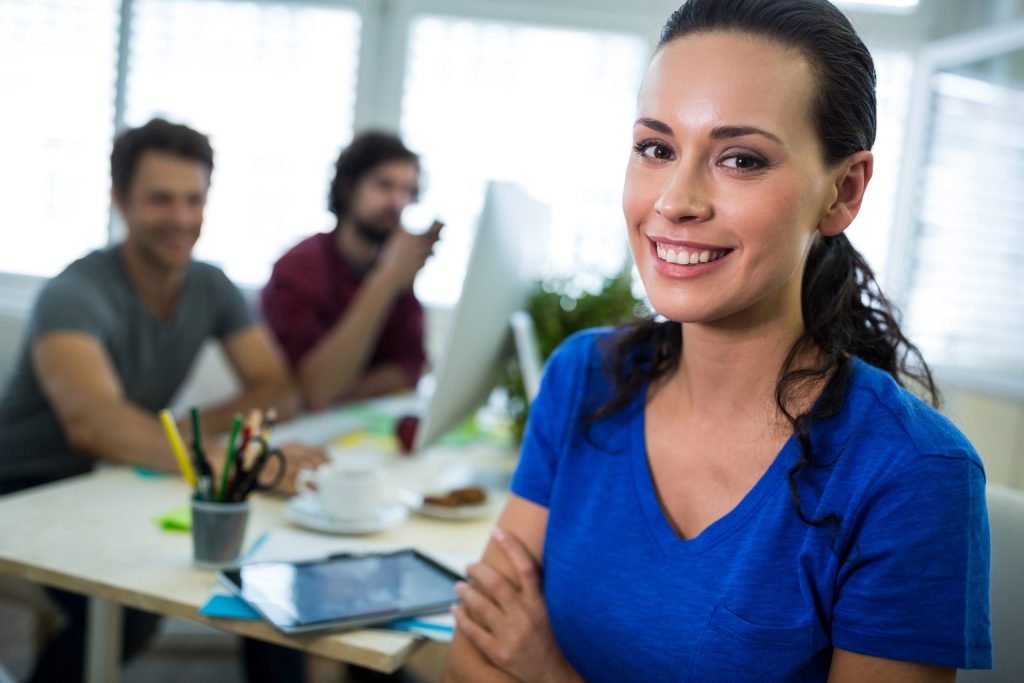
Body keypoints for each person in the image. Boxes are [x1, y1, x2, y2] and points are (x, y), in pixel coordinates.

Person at [444, 1, 992, 681]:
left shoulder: (911, 474)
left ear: (843, 191)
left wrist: (550, 672)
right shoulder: (583, 376)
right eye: (656, 148)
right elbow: (472, 652)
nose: (675, 199)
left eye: (740, 158)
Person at [0, 118, 327, 683]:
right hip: (28, 488)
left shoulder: (211, 285)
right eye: (160, 200)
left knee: (267, 576)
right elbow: (94, 424)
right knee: (127, 612)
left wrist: (180, 432)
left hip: (117, 479)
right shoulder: (74, 292)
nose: (181, 218)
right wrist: (214, 457)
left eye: (193, 199)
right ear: (120, 201)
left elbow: (277, 389)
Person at [261, 131, 443, 411]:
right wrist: (384, 283)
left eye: (407, 191)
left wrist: (343, 387)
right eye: (384, 186)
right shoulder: (299, 269)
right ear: (348, 187)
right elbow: (314, 392)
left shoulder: (397, 270)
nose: (397, 202)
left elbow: (411, 369)